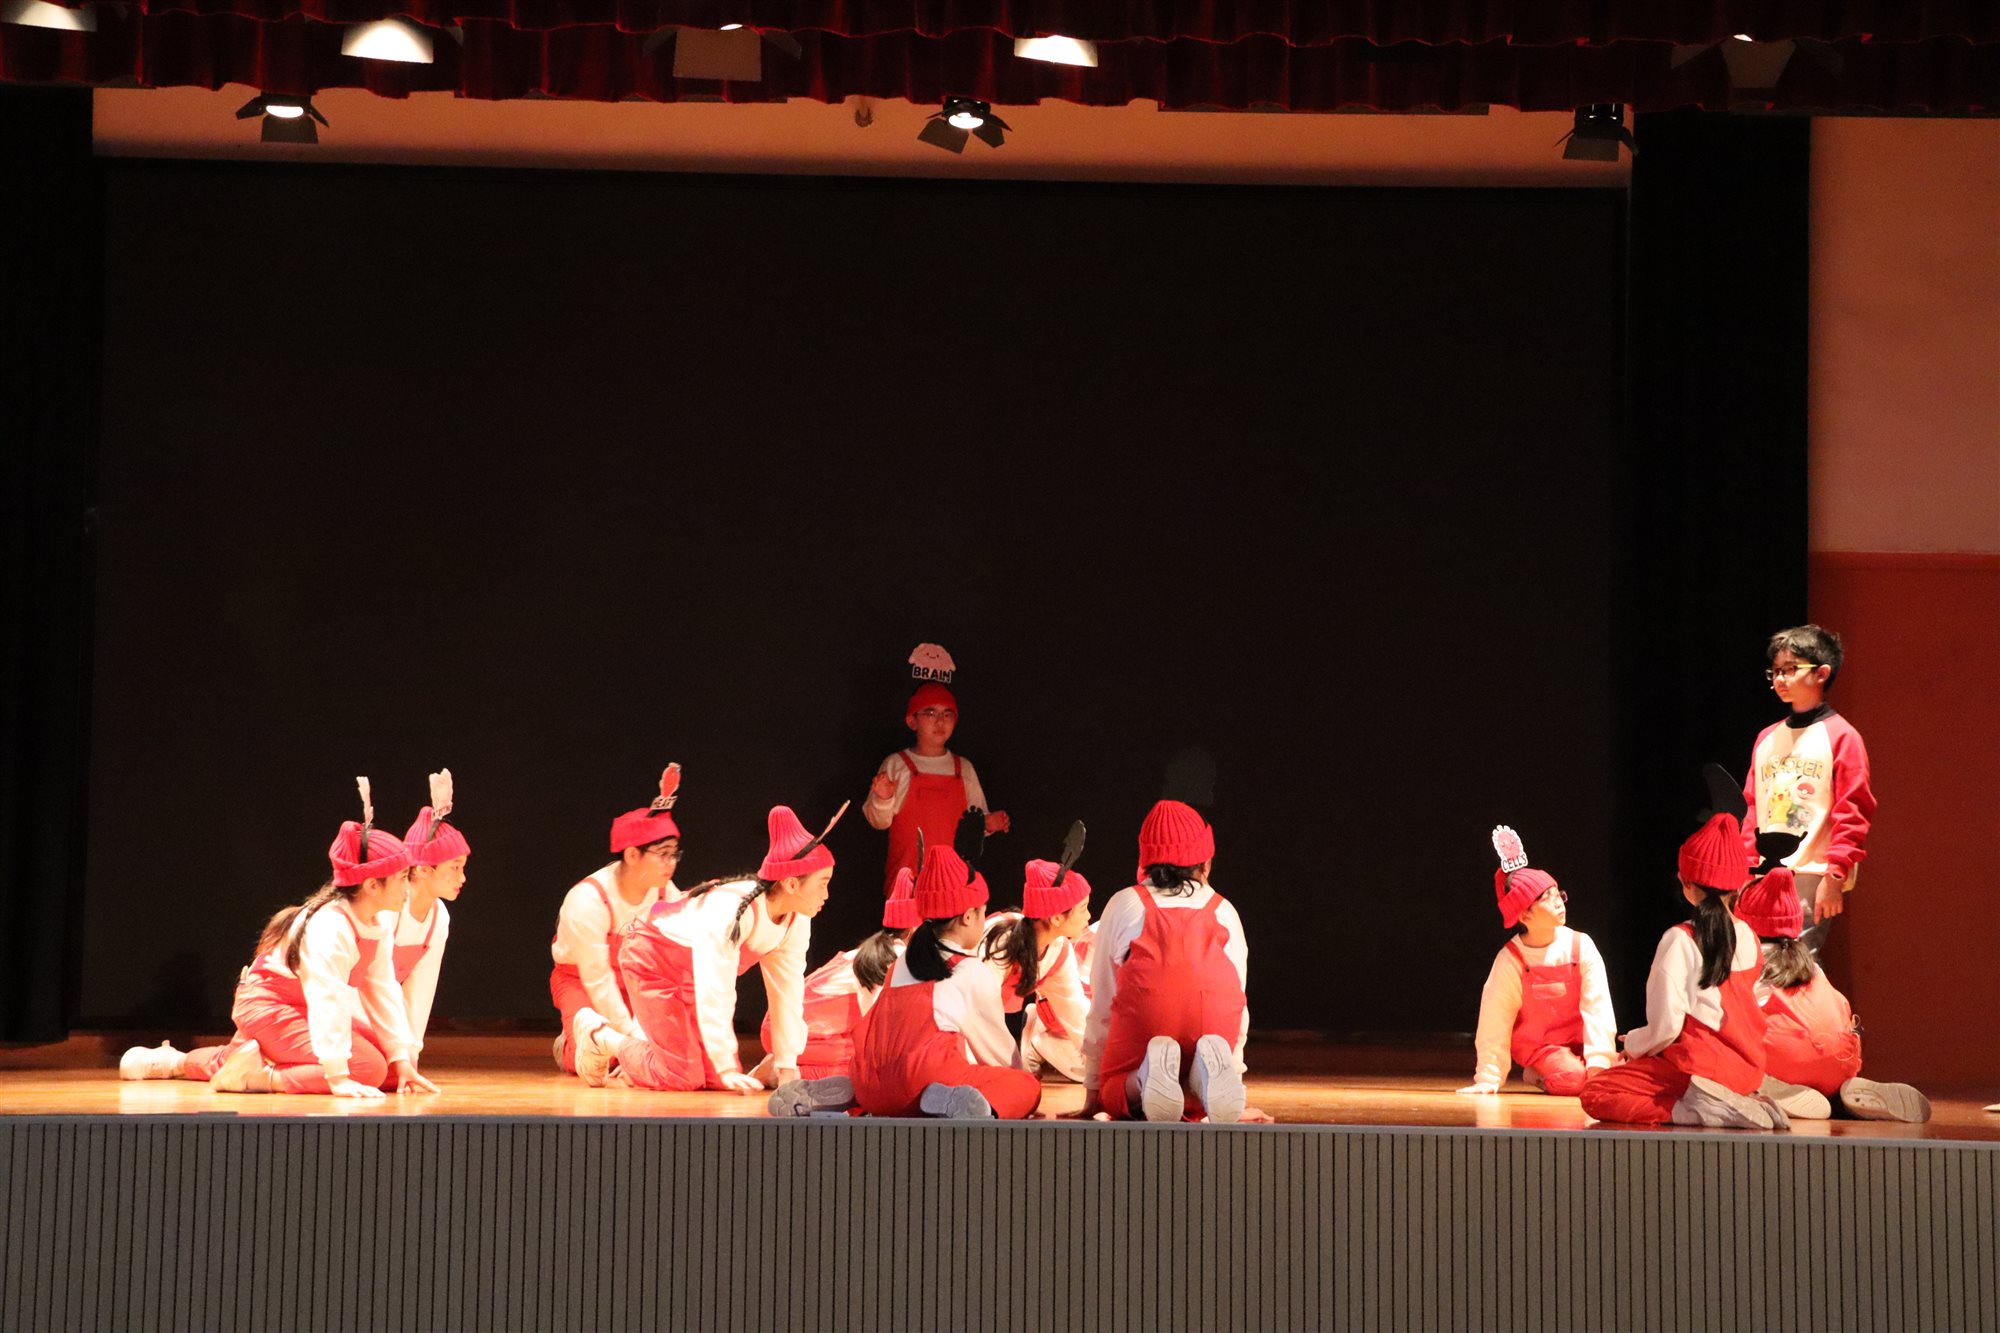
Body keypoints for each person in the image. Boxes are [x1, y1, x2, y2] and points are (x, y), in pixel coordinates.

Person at [572, 804, 837, 1093]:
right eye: (822, 884)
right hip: (651, 962)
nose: (827, 894)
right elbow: (716, 986)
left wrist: (786, 1067)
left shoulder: (797, 919)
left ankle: (646, 1062)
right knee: (683, 1075)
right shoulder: (733, 910)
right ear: (791, 884)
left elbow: (787, 992)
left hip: (692, 980)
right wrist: (724, 1062)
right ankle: (600, 1036)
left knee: (715, 1081)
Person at [209, 779, 437, 1097]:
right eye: (401, 879)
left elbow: (382, 989)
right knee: (367, 1069)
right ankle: (257, 1077)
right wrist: (338, 1077)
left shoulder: (376, 922)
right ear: (372, 885)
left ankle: (223, 1061)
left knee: (390, 1069)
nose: (408, 889)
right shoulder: (331, 927)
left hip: (302, 1008)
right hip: (270, 1005)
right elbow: (327, 998)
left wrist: (401, 1057)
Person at [1578, 804, 1788, 1129]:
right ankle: (1743, 1099)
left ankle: (1700, 1110)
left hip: (1701, 1070)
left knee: (1597, 1091)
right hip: (1748, 1067)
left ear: (1687, 882)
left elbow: (1666, 1027)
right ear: (1736, 886)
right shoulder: (1749, 935)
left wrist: (1633, 1046)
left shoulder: (1680, 939)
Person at [839, 832, 1042, 1119]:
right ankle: (947, 1101)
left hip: (868, 1083)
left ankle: (852, 1096)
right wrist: (1017, 1084)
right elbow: (997, 1053)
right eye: (982, 913)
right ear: (968, 916)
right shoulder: (971, 971)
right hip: (922, 1083)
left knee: (902, 1084)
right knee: (1026, 1085)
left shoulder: (901, 963)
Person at [1079, 800, 1253, 1124]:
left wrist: (1094, 1091)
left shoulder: (1124, 903)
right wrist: (1235, 1077)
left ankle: (1145, 1077)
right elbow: (1238, 1005)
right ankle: (1203, 1082)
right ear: (1205, 863)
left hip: (1147, 1027)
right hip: (1213, 1025)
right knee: (1194, 1100)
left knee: (1112, 1090)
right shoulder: (1225, 910)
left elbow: (1102, 1001)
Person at [1736, 862, 1931, 1122]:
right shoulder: (1812, 966)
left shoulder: (1749, 961)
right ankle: (1839, 1096)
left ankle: (1772, 1087)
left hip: (1788, 1061)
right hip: (1840, 1064)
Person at [1742, 625, 1875, 957]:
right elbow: (1753, 807)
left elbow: (1853, 811)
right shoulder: (1766, 738)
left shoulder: (1841, 736)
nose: (1780, 679)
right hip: (1763, 873)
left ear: (1821, 673)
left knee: (1795, 963)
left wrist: (1835, 874)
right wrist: (1745, 867)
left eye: (1790, 669)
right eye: (1775, 671)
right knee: (1757, 963)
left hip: (1810, 874)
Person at [1459, 826, 1616, 1096]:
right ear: (1524, 915)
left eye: (1558, 894)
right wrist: (1488, 1077)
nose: (1559, 902)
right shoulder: (1512, 959)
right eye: (1547, 897)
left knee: (1620, 1075)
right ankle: (1537, 1073)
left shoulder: (1581, 946)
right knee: (1573, 1080)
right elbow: (1495, 1019)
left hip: (1582, 1043)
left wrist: (1600, 1064)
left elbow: (1597, 1008)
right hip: (1543, 1049)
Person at [549, 765, 684, 1075]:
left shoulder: (666, 893)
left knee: (669, 1051)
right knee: (598, 1058)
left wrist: (644, 1036)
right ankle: (567, 1043)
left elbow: (669, 966)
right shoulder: (588, 901)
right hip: (581, 981)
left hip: (638, 980)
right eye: (662, 854)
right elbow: (598, 980)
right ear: (633, 855)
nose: (671, 864)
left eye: (675, 854)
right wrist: (631, 1044)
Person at [863, 655, 1008, 895]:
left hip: (954, 887)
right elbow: (879, 821)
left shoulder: (964, 768)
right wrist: (883, 798)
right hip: (908, 886)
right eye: (930, 713)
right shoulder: (897, 765)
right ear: (912, 720)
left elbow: (974, 827)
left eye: (947, 714)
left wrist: (988, 823)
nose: (940, 721)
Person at [981, 857, 1094, 1081]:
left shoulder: (1059, 950)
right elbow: (977, 1014)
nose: (1089, 916)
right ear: (1056, 917)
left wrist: (1103, 1068)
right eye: (1083, 909)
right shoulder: (1001, 941)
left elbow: (1077, 1015)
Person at [395, 768, 468, 1057]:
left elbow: (419, 994)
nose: (462, 878)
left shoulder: (438, 918)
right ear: (424, 869)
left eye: (463, 867)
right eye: (454, 868)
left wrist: (409, 1056)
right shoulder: (388, 909)